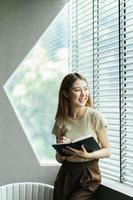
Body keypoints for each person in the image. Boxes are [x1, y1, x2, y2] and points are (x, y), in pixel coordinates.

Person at [52, 73, 111, 200]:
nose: (83, 94)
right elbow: (59, 159)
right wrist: (62, 151)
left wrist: (88, 156)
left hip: (88, 173)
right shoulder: (60, 121)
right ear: (66, 94)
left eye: (85, 89)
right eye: (77, 90)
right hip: (66, 174)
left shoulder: (95, 116)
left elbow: (107, 151)